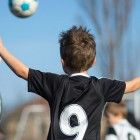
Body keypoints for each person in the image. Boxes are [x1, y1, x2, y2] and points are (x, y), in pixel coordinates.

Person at [0, 26, 140, 140]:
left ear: (63, 62)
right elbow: (133, 85)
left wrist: (2, 50)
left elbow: (22, 71)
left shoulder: (56, 84)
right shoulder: (101, 87)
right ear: (93, 61)